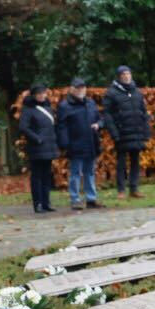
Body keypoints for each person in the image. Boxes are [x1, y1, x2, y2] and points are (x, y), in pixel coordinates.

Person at [101, 65, 151, 197]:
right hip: (122, 134)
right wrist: (114, 133)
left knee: (135, 161)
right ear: (119, 77)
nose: (127, 77)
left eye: (128, 74)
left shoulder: (137, 92)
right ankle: (121, 190)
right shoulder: (111, 93)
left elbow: (144, 113)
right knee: (121, 163)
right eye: (124, 75)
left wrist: (146, 132)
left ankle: (134, 189)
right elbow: (107, 115)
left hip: (136, 132)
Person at [56, 78, 103, 210]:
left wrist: (98, 125)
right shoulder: (65, 106)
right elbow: (61, 127)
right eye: (78, 88)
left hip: (91, 142)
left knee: (90, 172)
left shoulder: (90, 102)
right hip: (75, 144)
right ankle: (75, 199)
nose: (81, 90)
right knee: (76, 173)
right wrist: (65, 144)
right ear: (72, 89)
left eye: (83, 87)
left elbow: (100, 118)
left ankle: (91, 199)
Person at [18, 84, 58, 214]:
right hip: (37, 147)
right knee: (37, 177)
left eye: (43, 93)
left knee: (47, 176)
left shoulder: (48, 107)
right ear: (34, 95)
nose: (42, 96)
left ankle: (46, 203)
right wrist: (36, 138)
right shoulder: (28, 109)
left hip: (49, 147)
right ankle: (38, 204)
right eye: (39, 94)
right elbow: (24, 127)